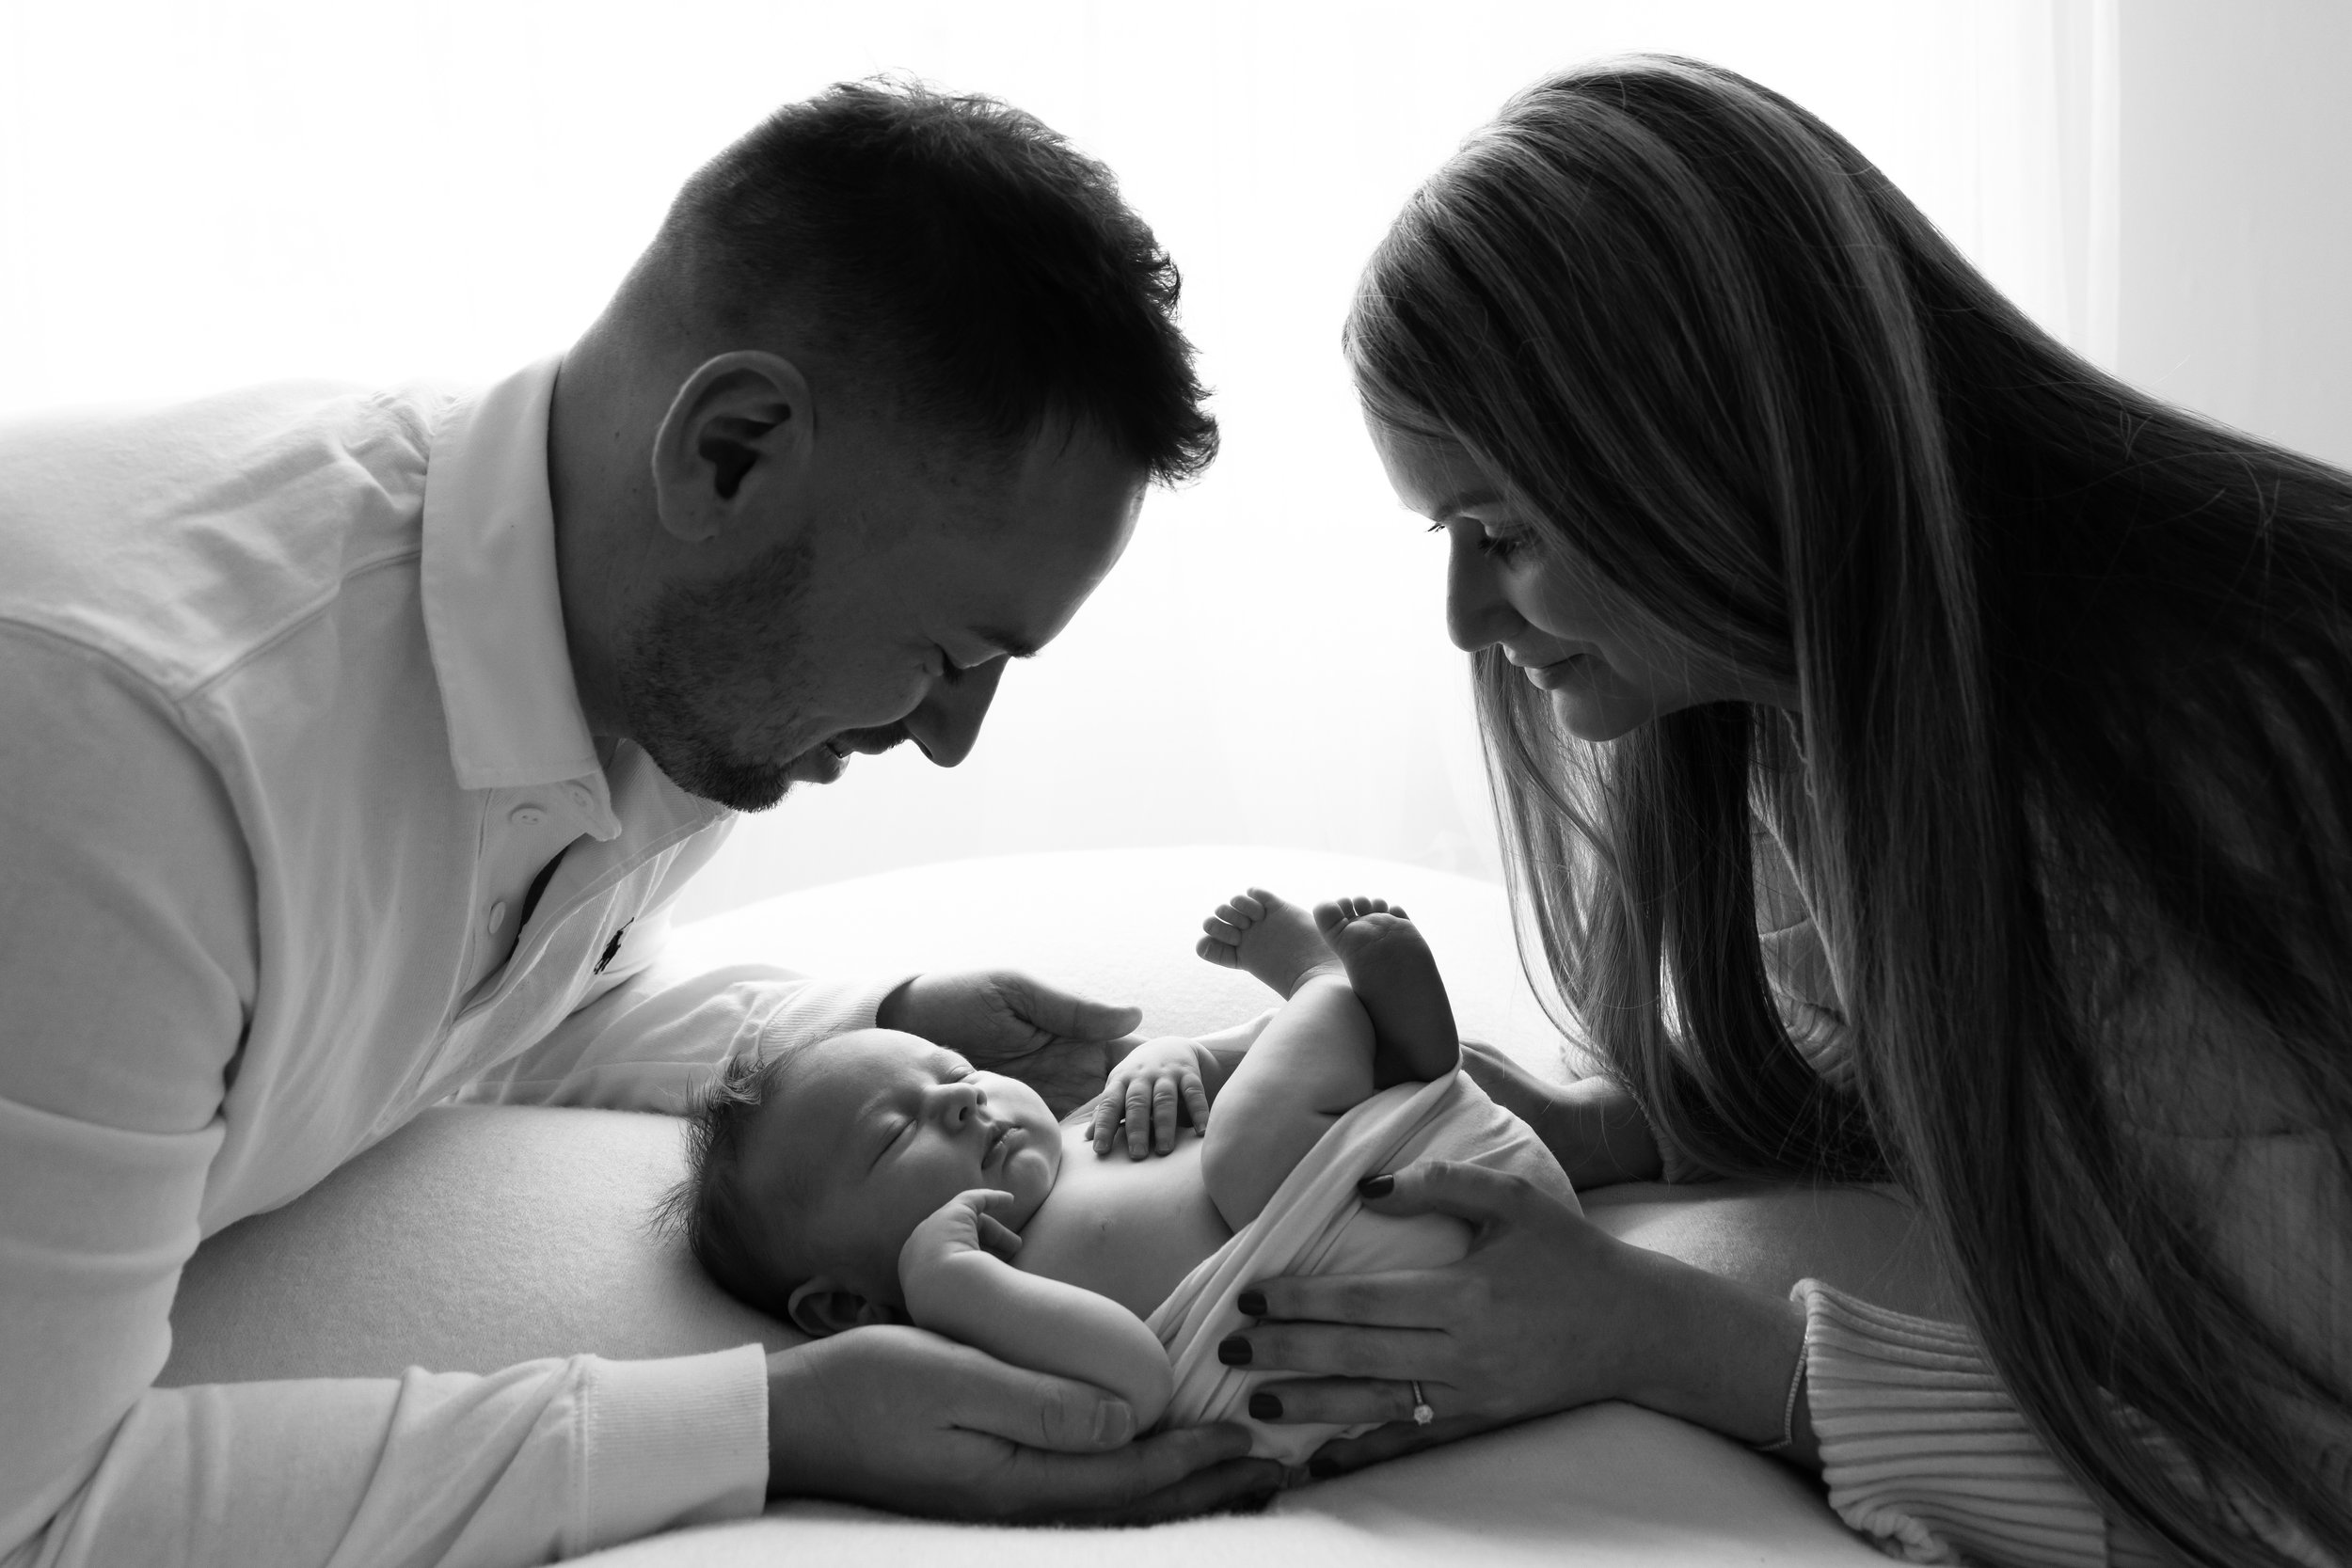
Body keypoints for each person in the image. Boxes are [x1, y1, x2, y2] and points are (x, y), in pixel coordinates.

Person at [0, 79, 1284, 1568]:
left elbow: (471, 991)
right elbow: (34, 1502)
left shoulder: (648, 644)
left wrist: (862, 1028)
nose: (946, 737)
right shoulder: (134, 752)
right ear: (730, 448)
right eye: (945, 653)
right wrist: (776, 1420)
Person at [1220, 55, 2351, 1568]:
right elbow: (1943, 1060)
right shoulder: (1835, 696)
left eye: (1502, 529)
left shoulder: (2186, 787)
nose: (1462, 614)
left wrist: (1676, 1336)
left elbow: (2288, 1488)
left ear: (1698, 456)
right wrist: (1624, 1122)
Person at [666, 889, 1569, 1469]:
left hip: (1414, 1161)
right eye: (897, 1132)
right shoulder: (958, 1322)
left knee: (1249, 1116)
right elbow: (1133, 1380)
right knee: (1248, 1153)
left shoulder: (1078, 1126)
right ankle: (1325, 987)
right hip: (1388, 1275)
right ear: (843, 1308)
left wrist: (1175, 1053)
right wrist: (954, 1282)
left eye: (956, 1070)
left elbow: (1239, 1072)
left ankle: (1386, 1040)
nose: (961, 1104)